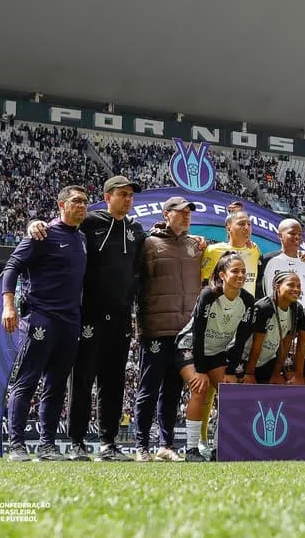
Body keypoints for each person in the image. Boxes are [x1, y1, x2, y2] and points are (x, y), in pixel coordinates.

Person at [27, 175, 147, 462]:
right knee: (82, 380)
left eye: (131, 195)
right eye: (123, 194)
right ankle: (77, 441)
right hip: (89, 315)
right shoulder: (90, 221)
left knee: (114, 382)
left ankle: (108, 443)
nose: (128, 199)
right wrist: (34, 224)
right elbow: (61, 226)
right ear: (108, 198)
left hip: (121, 317)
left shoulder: (136, 229)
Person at [2, 185, 88, 462]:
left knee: (56, 385)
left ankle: (47, 446)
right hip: (41, 316)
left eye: (85, 202)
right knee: (27, 380)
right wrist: (9, 306)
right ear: (61, 205)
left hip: (71, 321)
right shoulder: (42, 234)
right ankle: (16, 445)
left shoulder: (83, 238)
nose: (82, 206)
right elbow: (12, 266)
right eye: (76, 201)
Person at [133, 196, 203, 463]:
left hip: (184, 332)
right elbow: (136, 283)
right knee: (148, 389)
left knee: (173, 392)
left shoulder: (194, 246)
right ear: (165, 214)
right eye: (181, 212)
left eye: (189, 213)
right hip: (156, 329)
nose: (186, 216)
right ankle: (141, 446)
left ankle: (166, 444)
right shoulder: (149, 244)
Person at [177, 252, 255, 462]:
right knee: (200, 389)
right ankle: (191, 449)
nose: (240, 275)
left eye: (243, 272)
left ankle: (219, 448)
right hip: (190, 348)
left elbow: (240, 340)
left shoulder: (248, 301)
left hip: (217, 351)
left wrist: (230, 371)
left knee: (229, 391)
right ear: (222, 274)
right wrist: (200, 371)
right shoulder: (208, 295)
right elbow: (199, 334)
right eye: (235, 271)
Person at [229, 271, 303, 386]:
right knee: (245, 394)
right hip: (246, 360)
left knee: (276, 391)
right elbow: (256, 344)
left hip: (267, 360)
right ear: (277, 287)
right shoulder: (264, 307)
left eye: (298, 286)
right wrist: (250, 373)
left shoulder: (297, 308)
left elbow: (286, 342)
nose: (296, 289)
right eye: (291, 285)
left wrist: (276, 373)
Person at [201, 209, 261, 294]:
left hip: (246, 305)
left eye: (249, 224)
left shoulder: (255, 250)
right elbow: (204, 282)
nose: (247, 227)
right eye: (241, 224)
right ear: (229, 228)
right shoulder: (213, 250)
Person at [256, 218, 305, 301]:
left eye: (300, 234)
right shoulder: (267, 260)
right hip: (273, 312)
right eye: (292, 233)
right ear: (280, 236)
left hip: (299, 313)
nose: (297, 237)